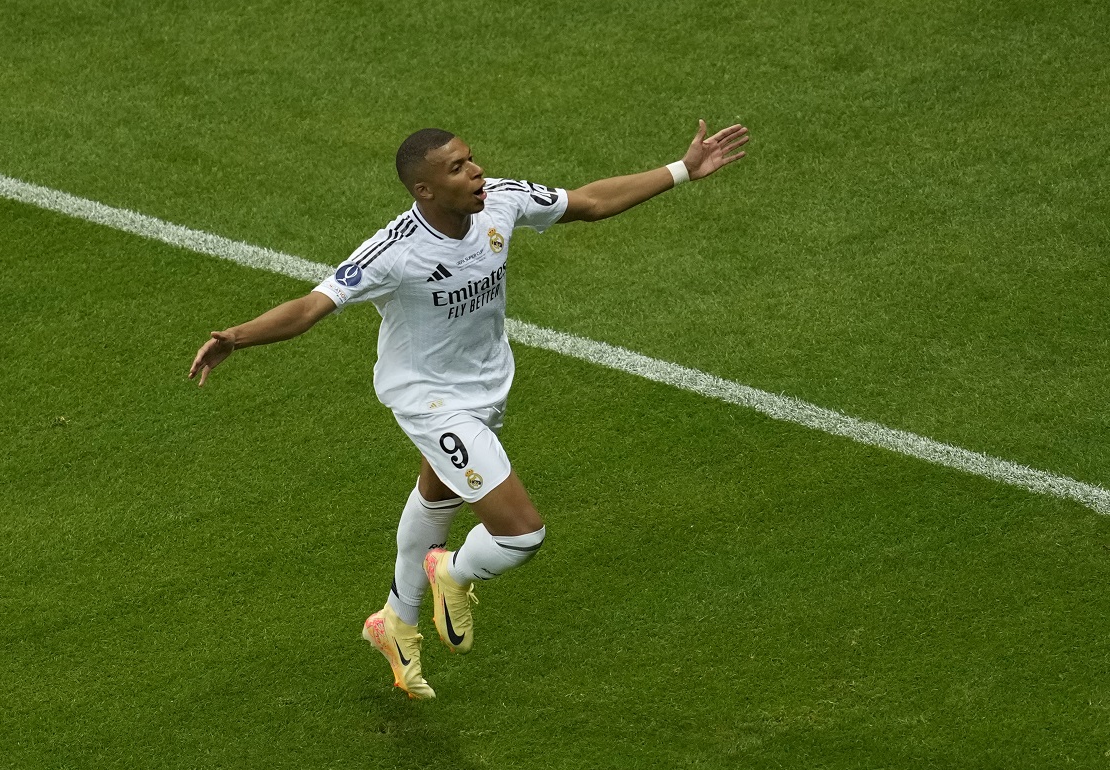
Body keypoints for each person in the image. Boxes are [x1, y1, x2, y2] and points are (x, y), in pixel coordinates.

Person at [188, 120, 749, 699]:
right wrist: (238, 335)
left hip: (488, 386)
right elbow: (311, 306)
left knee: (438, 494)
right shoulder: (394, 252)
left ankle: (394, 624)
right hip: (430, 401)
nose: (476, 171)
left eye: (471, 159)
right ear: (424, 190)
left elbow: (589, 202)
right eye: (456, 168)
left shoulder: (500, 202)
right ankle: (450, 571)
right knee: (520, 536)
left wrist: (682, 169)